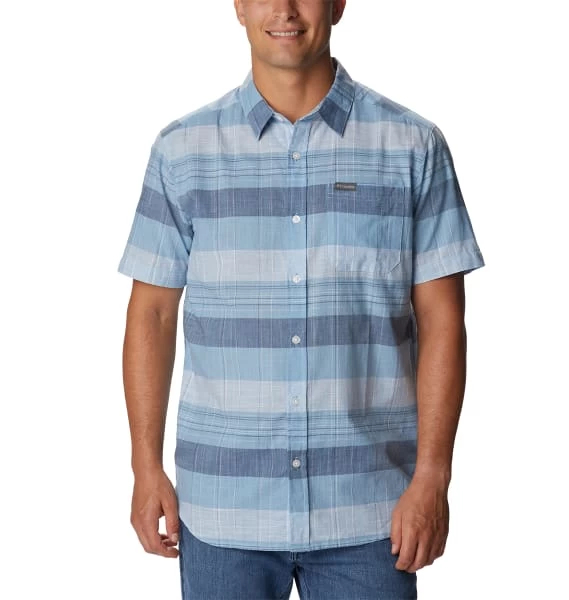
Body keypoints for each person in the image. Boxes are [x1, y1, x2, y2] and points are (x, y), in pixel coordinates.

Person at [117, 1, 485, 598]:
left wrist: (432, 477)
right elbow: (152, 315)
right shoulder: (182, 152)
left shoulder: (412, 146)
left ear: (338, 4)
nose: (285, 9)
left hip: (371, 510)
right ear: (239, 6)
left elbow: (444, 320)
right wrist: (145, 464)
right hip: (223, 508)